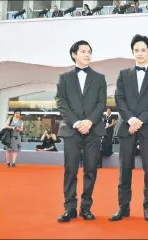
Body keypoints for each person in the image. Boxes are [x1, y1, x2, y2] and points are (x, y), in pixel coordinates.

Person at [110, 34, 148, 222]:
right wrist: (131, 119)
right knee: (124, 169)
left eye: (143, 50)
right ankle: (123, 207)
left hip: (147, 128)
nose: (140, 53)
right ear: (132, 52)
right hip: (127, 127)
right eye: (136, 50)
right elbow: (119, 99)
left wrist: (140, 120)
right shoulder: (123, 74)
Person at [55, 40, 107, 222]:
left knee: (91, 169)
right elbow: (61, 102)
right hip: (71, 129)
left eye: (89, 51)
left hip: (93, 130)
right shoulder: (64, 77)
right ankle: (69, 208)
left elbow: (101, 104)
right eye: (83, 51)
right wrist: (77, 122)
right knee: (70, 170)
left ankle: (86, 207)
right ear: (74, 54)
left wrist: (89, 121)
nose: (87, 54)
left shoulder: (100, 78)